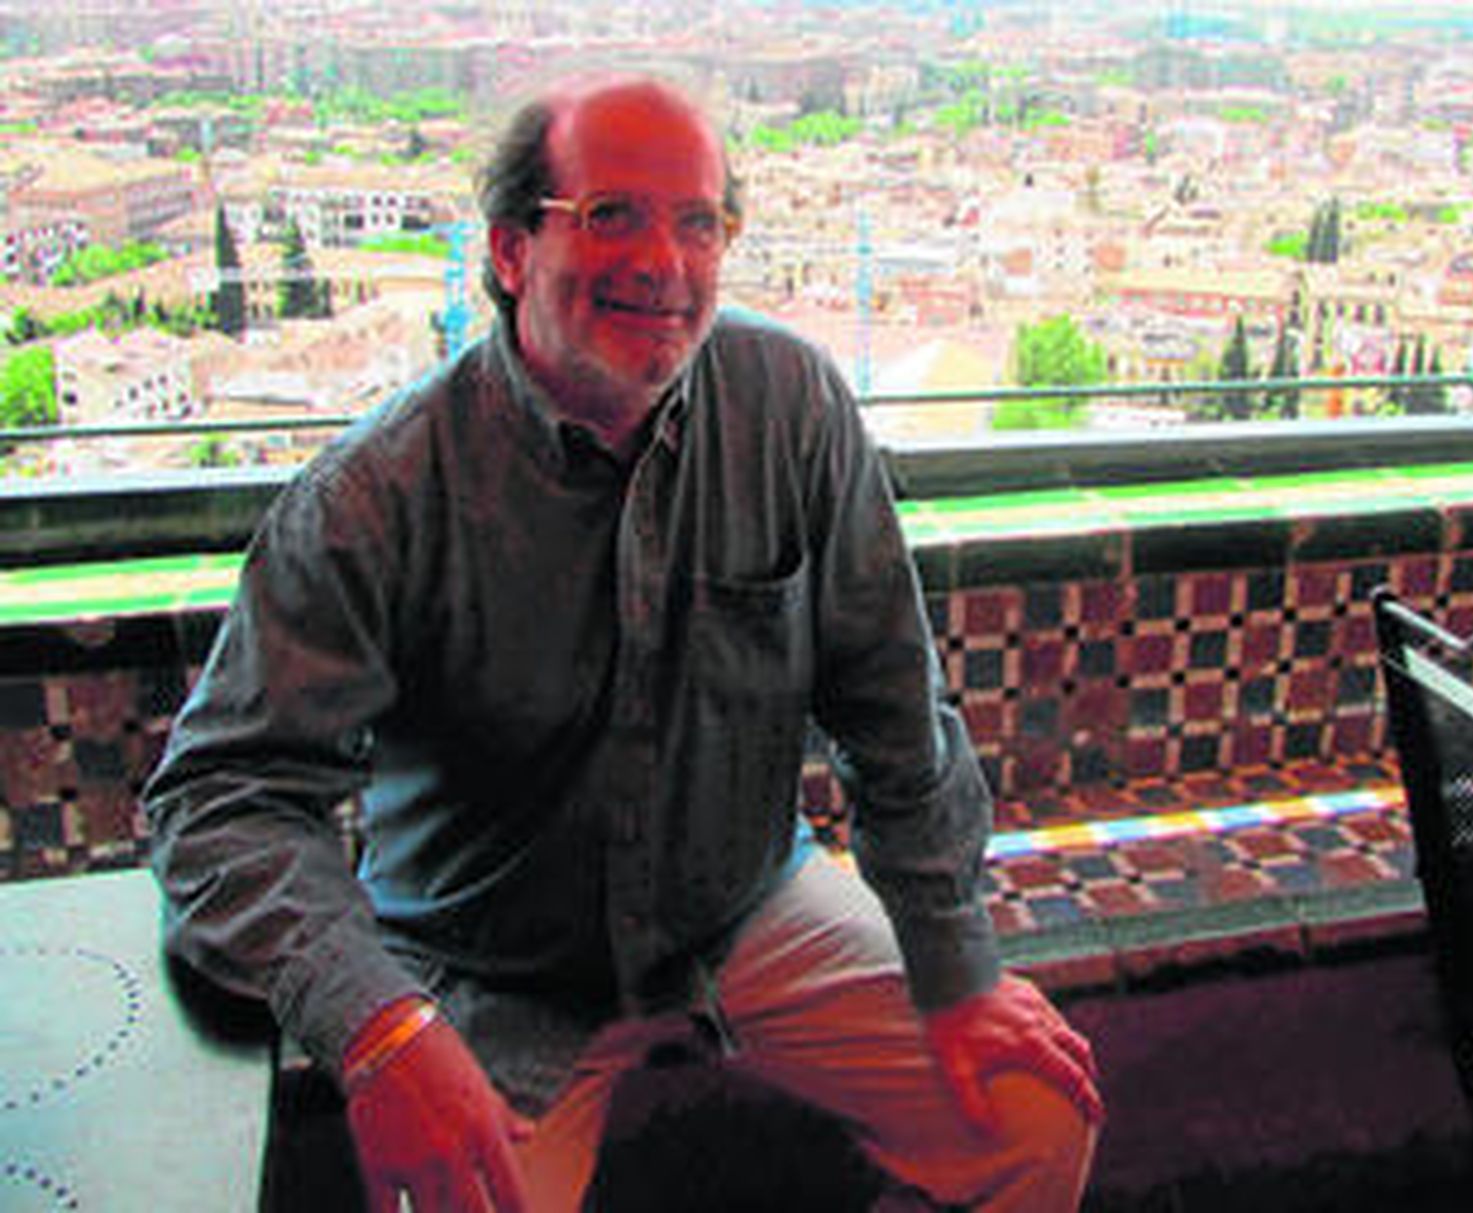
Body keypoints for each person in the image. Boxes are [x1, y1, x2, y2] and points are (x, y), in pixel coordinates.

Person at [145, 73, 1102, 1212]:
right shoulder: (381, 494)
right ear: (508, 252)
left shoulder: (788, 406)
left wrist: (953, 967)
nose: (664, 260)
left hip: (740, 908)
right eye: (611, 216)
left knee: (1034, 1119)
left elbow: (889, 698)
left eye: (698, 222)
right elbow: (219, 798)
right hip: (487, 964)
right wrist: (380, 1024)